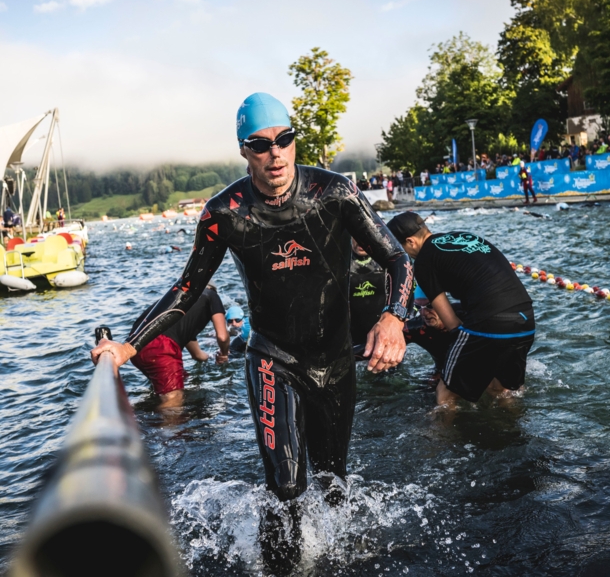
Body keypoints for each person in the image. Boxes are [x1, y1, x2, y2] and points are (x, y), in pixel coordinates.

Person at [92, 92, 412, 506]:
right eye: (260, 145)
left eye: (284, 139)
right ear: (244, 150)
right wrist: (128, 346)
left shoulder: (335, 192)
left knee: (334, 483)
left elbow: (398, 258)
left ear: (295, 141)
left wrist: (395, 317)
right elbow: (186, 289)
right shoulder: (223, 212)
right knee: (286, 487)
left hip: (334, 359)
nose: (275, 154)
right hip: (272, 357)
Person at [387, 212, 535, 408]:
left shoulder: (424, 261)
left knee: (445, 392)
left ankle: (442, 438)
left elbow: (452, 323)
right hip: (526, 319)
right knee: (501, 389)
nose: (403, 255)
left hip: (490, 321)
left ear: (410, 241)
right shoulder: (463, 236)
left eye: (401, 248)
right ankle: (514, 434)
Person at [129, 283, 230, 408]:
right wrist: (224, 354)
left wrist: (212, 356)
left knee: (182, 378)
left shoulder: (177, 305)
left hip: (134, 346)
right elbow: (223, 337)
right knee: (174, 400)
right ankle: (166, 426)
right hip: (160, 346)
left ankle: (145, 416)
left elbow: (197, 355)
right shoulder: (211, 294)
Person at [349, 239, 388, 347]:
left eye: (364, 237)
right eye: (356, 237)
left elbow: (410, 293)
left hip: (383, 336)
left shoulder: (389, 261)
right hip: (350, 338)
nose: (361, 241)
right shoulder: (340, 262)